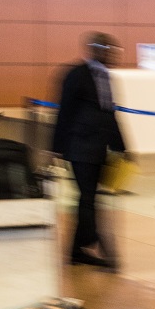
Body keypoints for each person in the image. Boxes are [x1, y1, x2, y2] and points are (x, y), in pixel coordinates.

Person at [53, 32, 127, 270]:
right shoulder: (76, 74)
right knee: (87, 199)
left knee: (88, 199)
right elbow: (64, 112)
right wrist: (57, 149)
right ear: (96, 49)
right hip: (79, 148)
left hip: (99, 150)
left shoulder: (105, 77)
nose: (113, 54)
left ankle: (77, 250)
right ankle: (102, 247)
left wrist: (122, 147)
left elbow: (109, 114)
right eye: (108, 49)